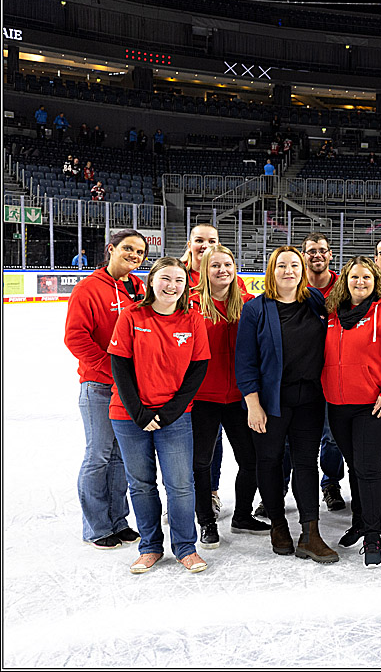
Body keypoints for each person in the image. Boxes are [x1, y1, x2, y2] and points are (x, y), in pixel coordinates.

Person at [108, 257, 211, 574]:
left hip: (174, 417)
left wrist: (169, 412)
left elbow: (198, 369)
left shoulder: (192, 320)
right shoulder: (132, 315)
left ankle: (185, 548)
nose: (172, 286)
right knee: (140, 484)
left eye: (179, 280)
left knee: (180, 484)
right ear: (151, 281)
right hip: (129, 416)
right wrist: (139, 412)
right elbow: (120, 366)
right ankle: (150, 547)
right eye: (165, 278)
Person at [236, 246, 337, 564]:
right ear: (272, 270)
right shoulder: (256, 309)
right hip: (269, 402)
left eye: (295, 264)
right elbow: (245, 361)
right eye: (282, 265)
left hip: (309, 400)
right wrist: (253, 403)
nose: (289, 270)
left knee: (306, 463)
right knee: (269, 461)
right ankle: (278, 526)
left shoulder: (315, 302)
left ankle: (311, 533)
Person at [323, 257, 381, 568]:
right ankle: (360, 521)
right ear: (345, 280)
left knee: (368, 466)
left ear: (375, 280)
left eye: (365, 277)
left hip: (375, 405)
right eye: (353, 277)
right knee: (354, 466)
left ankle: (373, 534)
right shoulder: (333, 314)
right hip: (338, 404)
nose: (359, 282)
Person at [64, 229, 147, 550]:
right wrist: (113, 372)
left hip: (132, 390)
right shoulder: (88, 289)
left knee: (120, 459)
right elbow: (76, 338)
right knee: (99, 455)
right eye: (128, 248)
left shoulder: (140, 289)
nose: (134, 256)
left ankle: (118, 521)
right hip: (99, 386)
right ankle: (97, 526)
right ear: (111, 249)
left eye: (140, 252)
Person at [189, 245, 270, 551]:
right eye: (215, 266)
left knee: (251, 460)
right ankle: (206, 522)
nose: (222, 270)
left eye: (227, 264)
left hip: (240, 398)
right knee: (201, 463)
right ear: (204, 270)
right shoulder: (191, 304)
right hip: (203, 399)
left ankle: (242, 515)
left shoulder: (248, 304)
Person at [300, 232, 347, 513]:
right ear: (304, 255)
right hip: (300, 375)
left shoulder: (343, 287)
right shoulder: (293, 284)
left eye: (322, 250)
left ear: (330, 255)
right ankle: (280, 490)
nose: (317, 255)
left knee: (332, 437)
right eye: (311, 251)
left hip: (332, 374)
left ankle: (331, 484)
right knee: (292, 437)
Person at [181, 224, 247, 294]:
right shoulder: (179, 275)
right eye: (199, 241)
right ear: (189, 245)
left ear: (219, 247)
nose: (205, 246)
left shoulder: (234, 281)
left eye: (212, 241)